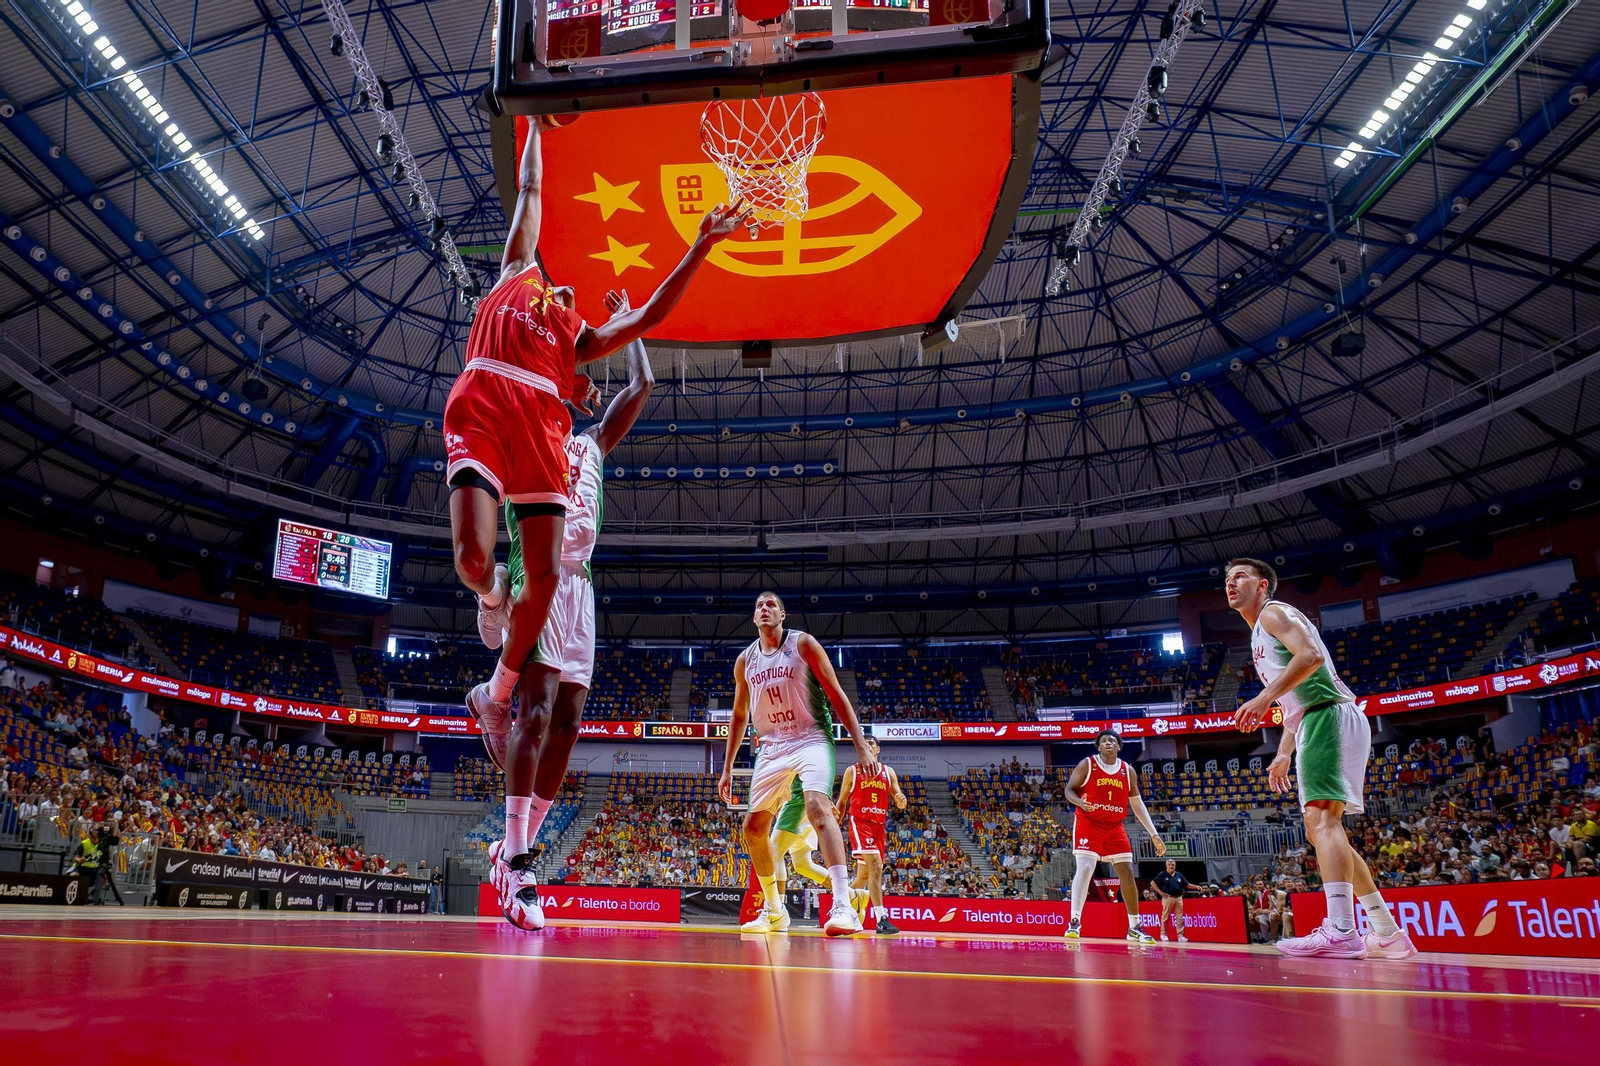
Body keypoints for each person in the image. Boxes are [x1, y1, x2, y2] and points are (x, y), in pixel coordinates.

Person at [450, 115, 748, 754]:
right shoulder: (515, 274)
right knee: (473, 561)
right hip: (481, 398)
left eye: (571, 293)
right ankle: (494, 595)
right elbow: (530, 193)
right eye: (562, 284)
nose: (566, 287)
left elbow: (650, 316)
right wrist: (536, 128)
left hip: (536, 431)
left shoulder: (577, 345)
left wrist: (700, 247)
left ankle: (495, 679)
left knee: (543, 594)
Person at [485, 293, 656, 931]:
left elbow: (643, 382)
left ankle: (514, 850)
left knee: (568, 723)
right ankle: (522, 859)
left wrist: (629, 318)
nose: (581, 386)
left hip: (582, 589)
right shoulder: (528, 426)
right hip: (543, 572)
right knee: (536, 711)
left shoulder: (593, 445)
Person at [1226, 557, 1415, 960]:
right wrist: (1282, 752)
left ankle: (1342, 930)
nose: (1231, 582)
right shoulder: (1262, 632)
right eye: (1227, 578)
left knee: (1322, 822)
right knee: (1323, 831)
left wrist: (1262, 698)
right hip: (1318, 718)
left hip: (1327, 715)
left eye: (1241, 576)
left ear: (1262, 587)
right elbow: (1298, 697)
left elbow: (1310, 657)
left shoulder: (1274, 613)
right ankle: (1385, 931)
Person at [718, 592, 877, 937]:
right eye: (758, 605)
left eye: (770, 604)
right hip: (772, 746)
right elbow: (740, 715)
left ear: (782, 614)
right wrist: (728, 767)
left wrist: (861, 745)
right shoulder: (745, 661)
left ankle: (843, 906)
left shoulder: (803, 644)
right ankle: (775, 910)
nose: (764, 609)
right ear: (754, 617)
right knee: (753, 828)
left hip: (811, 738)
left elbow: (836, 694)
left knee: (818, 807)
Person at [1062, 730, 1163, 944]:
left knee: (1127, 872)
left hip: (1114, 826)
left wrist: (1154, 834)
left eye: (1112, 740)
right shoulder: (1087, 765)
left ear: (1119, 746)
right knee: (1086, 868)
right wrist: (1080, 803)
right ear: (1098, 747)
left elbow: (1137, 805)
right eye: (1104, 741)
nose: (1108, 743)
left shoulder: (1128, 771)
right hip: (1088, 823)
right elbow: (1069, 790)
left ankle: (1135, 927)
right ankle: (1074, 922)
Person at [834, 737, 907, 935]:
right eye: (864, 744)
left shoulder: (888, 772)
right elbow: (842, 801)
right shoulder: (852, 771)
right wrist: (835, 823)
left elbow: (900, 800)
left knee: (863, 877)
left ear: (878, 750)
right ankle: (881, 919)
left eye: (871, 744)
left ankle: (841, 909)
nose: (867, 746)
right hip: (860, 823)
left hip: (879, 827)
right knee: (875, 865)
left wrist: (901, 801)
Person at [1153, 857, 1190, 942]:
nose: (1171, 866)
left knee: (1179, 917)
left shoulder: (1178, 875)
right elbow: (1153, 883)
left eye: (1173, 865)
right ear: (1166, 865)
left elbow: (1186, 884)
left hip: (1178, 897)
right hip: (1168, 897)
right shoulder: (1163, 874)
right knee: (1165, 916)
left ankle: (1180, 935)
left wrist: (1196, 887)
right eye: (1169, 865)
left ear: (1175, 865)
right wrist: (1160, 892)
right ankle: (1163, 934)